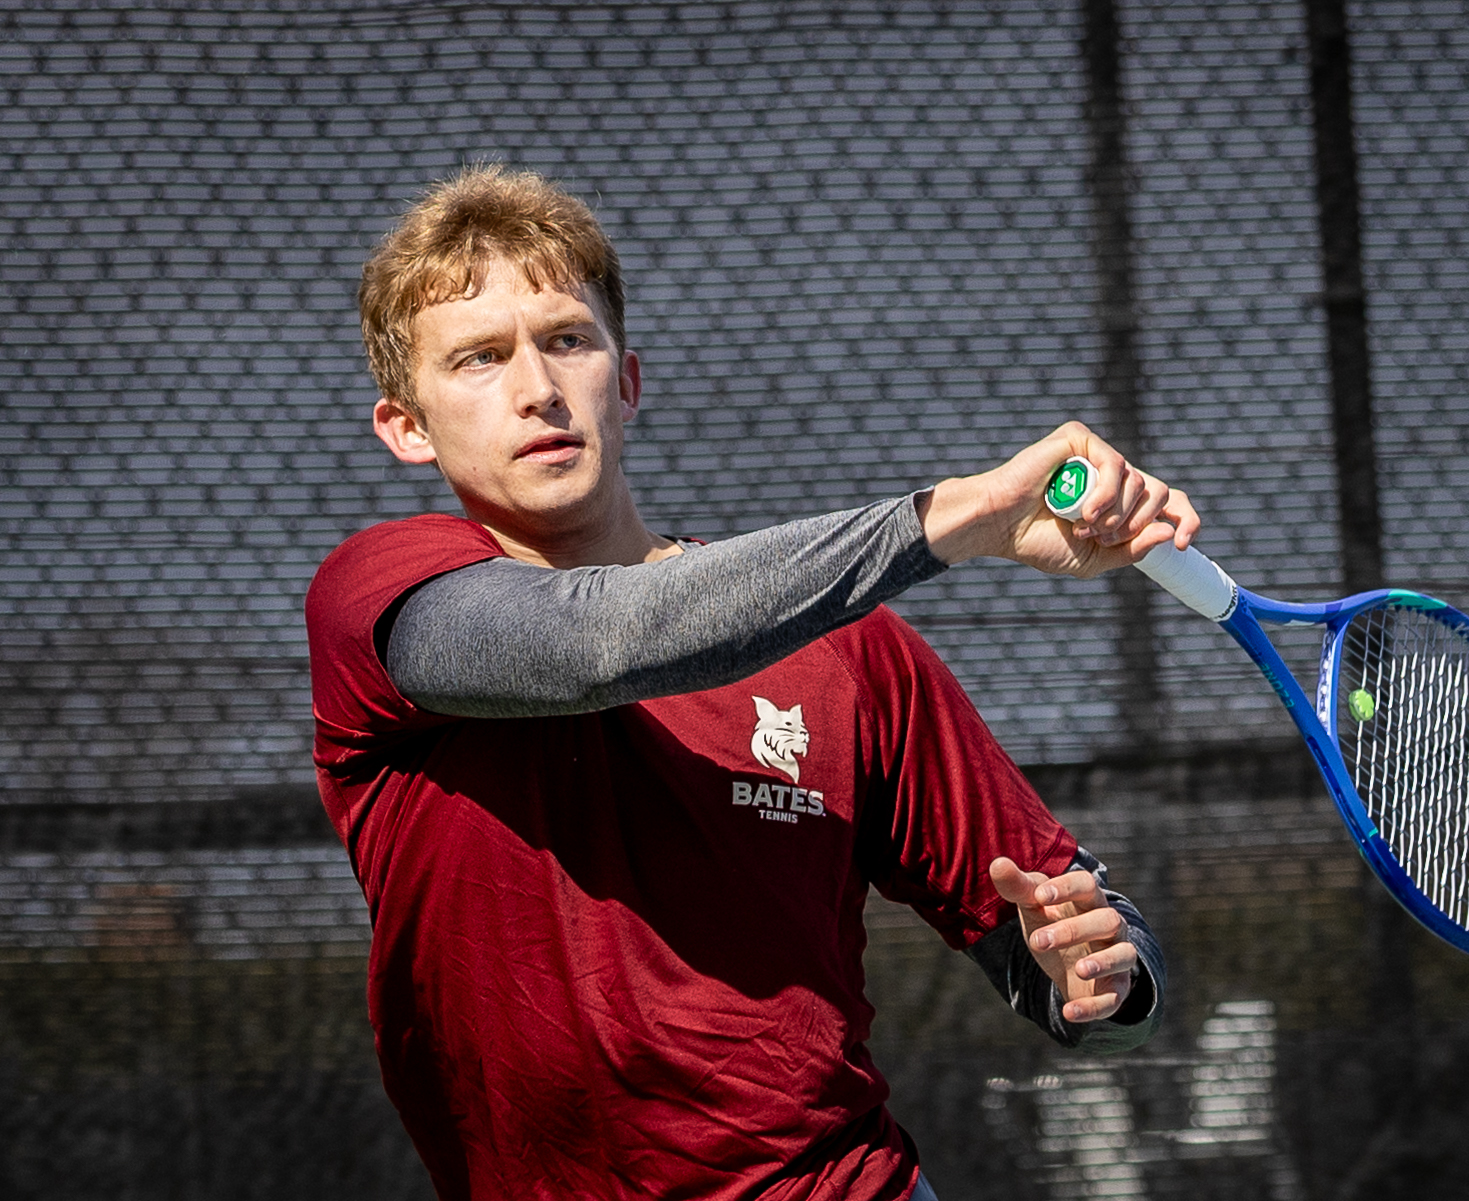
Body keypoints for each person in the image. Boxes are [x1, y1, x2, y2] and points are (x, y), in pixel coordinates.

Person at [306, 165, 1199, 1201]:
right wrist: (955, 516)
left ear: (625, 380)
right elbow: (590, 645)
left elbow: (1058, 928)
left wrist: (1098, 973)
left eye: (566, 338)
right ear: (404, 426)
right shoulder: (379, 599)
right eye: (477, 357)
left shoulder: (852, 651)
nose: (536, 387)